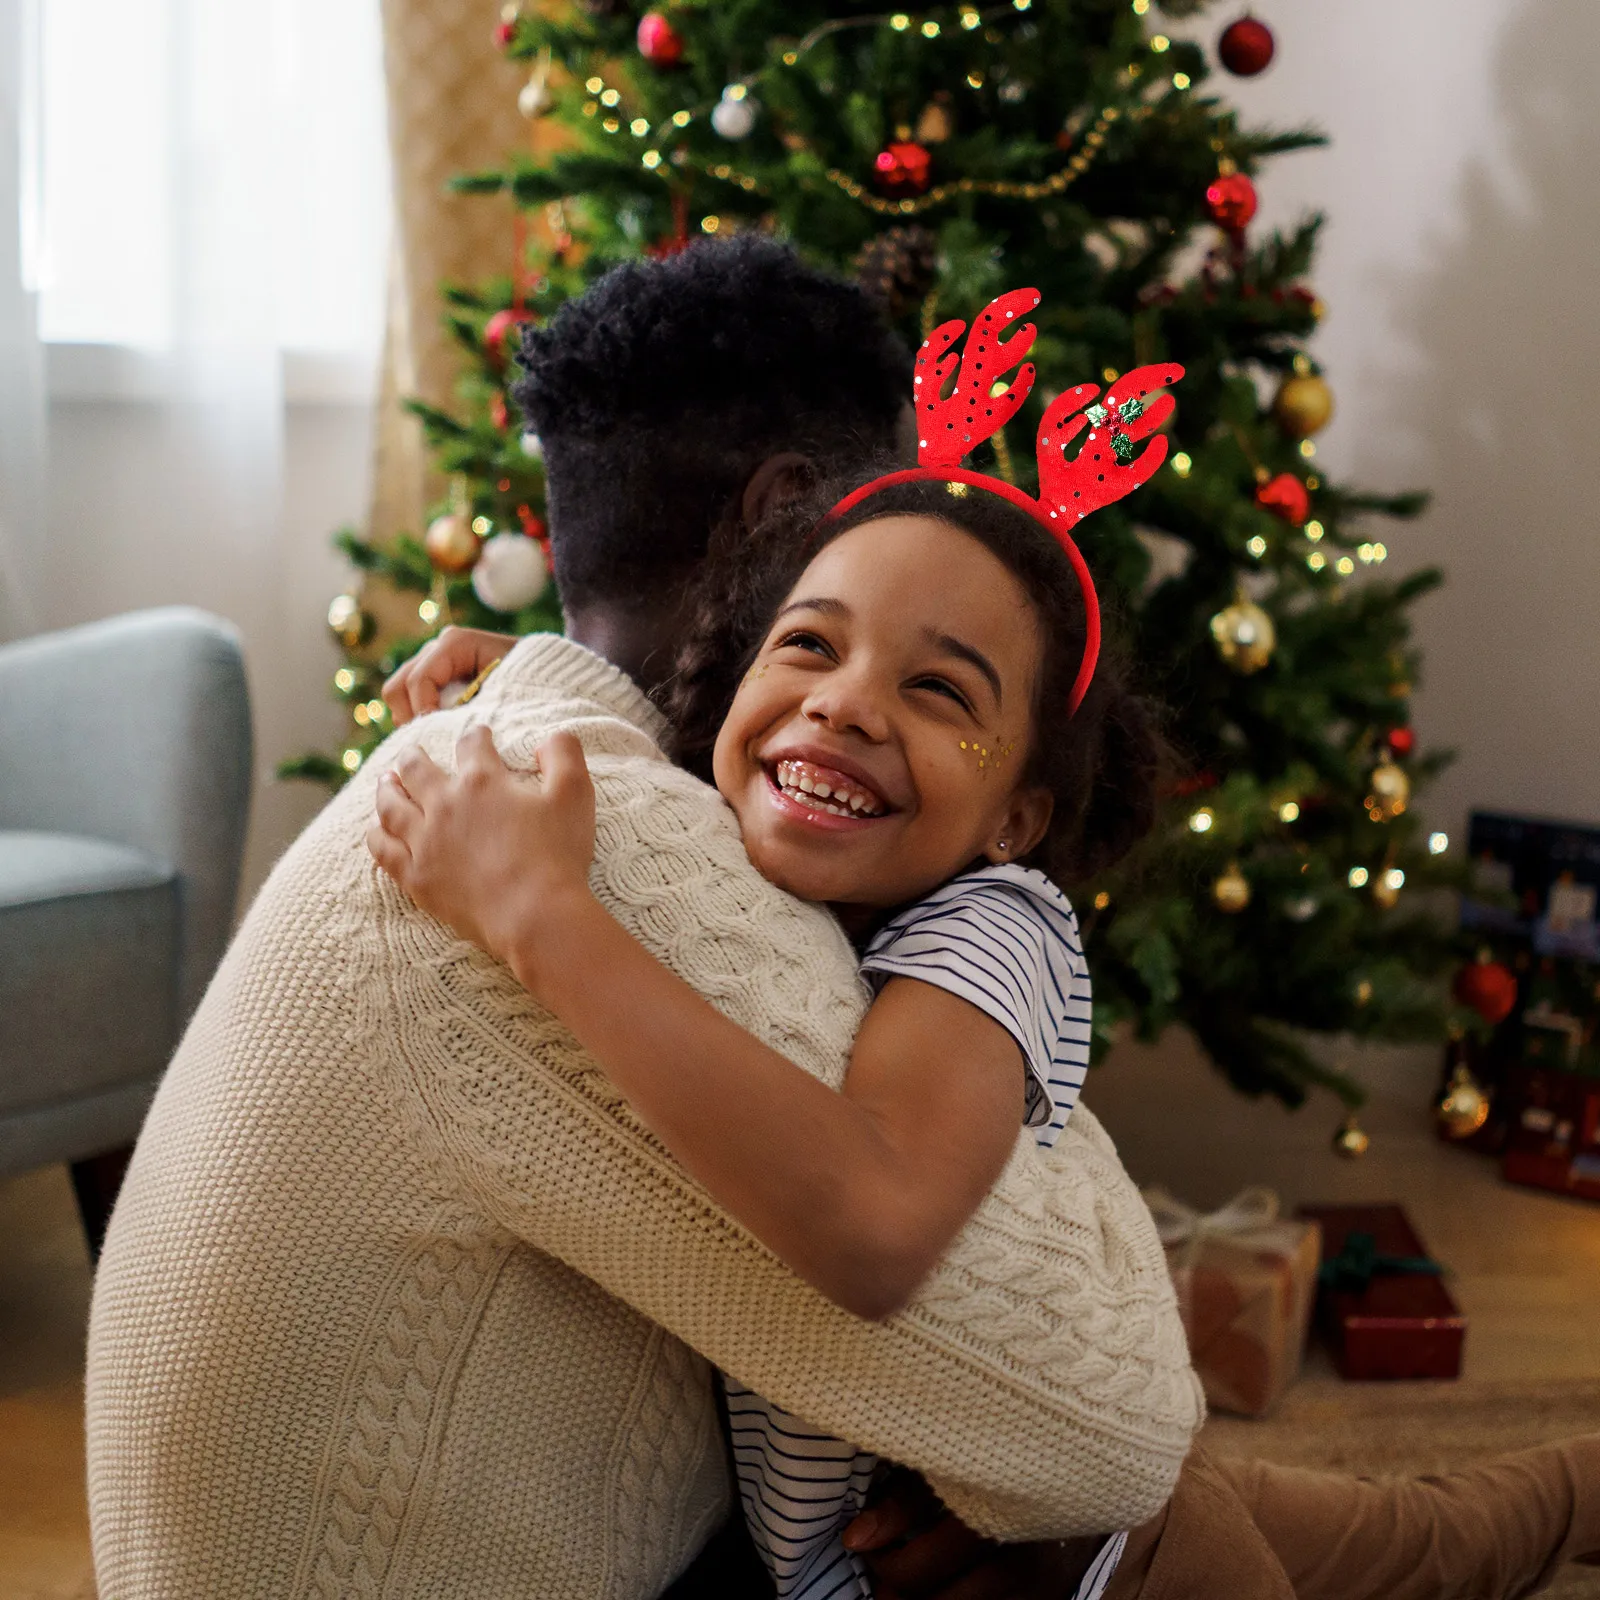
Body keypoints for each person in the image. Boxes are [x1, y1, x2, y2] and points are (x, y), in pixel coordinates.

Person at [377, 284, 1600, 1600]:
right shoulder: (760, 842)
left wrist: (540, 914)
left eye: (940, 688)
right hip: (1011, 1528)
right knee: (1443, 1536)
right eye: (805, 646)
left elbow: (876, 1220)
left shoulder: (996, 926)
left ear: (1017, 813)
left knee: (1427, 1552)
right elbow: (713, 753)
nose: (843, 707)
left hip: (1116, 1571)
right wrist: (536, 678)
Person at [86, 240, 1202, 1600]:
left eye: (938, 678)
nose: (852, 697)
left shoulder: (518, 767)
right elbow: (1123, 1430)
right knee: (1157, 1535)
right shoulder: (584, 852)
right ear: (786, 517)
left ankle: (1542, 1499)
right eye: (828, 616)